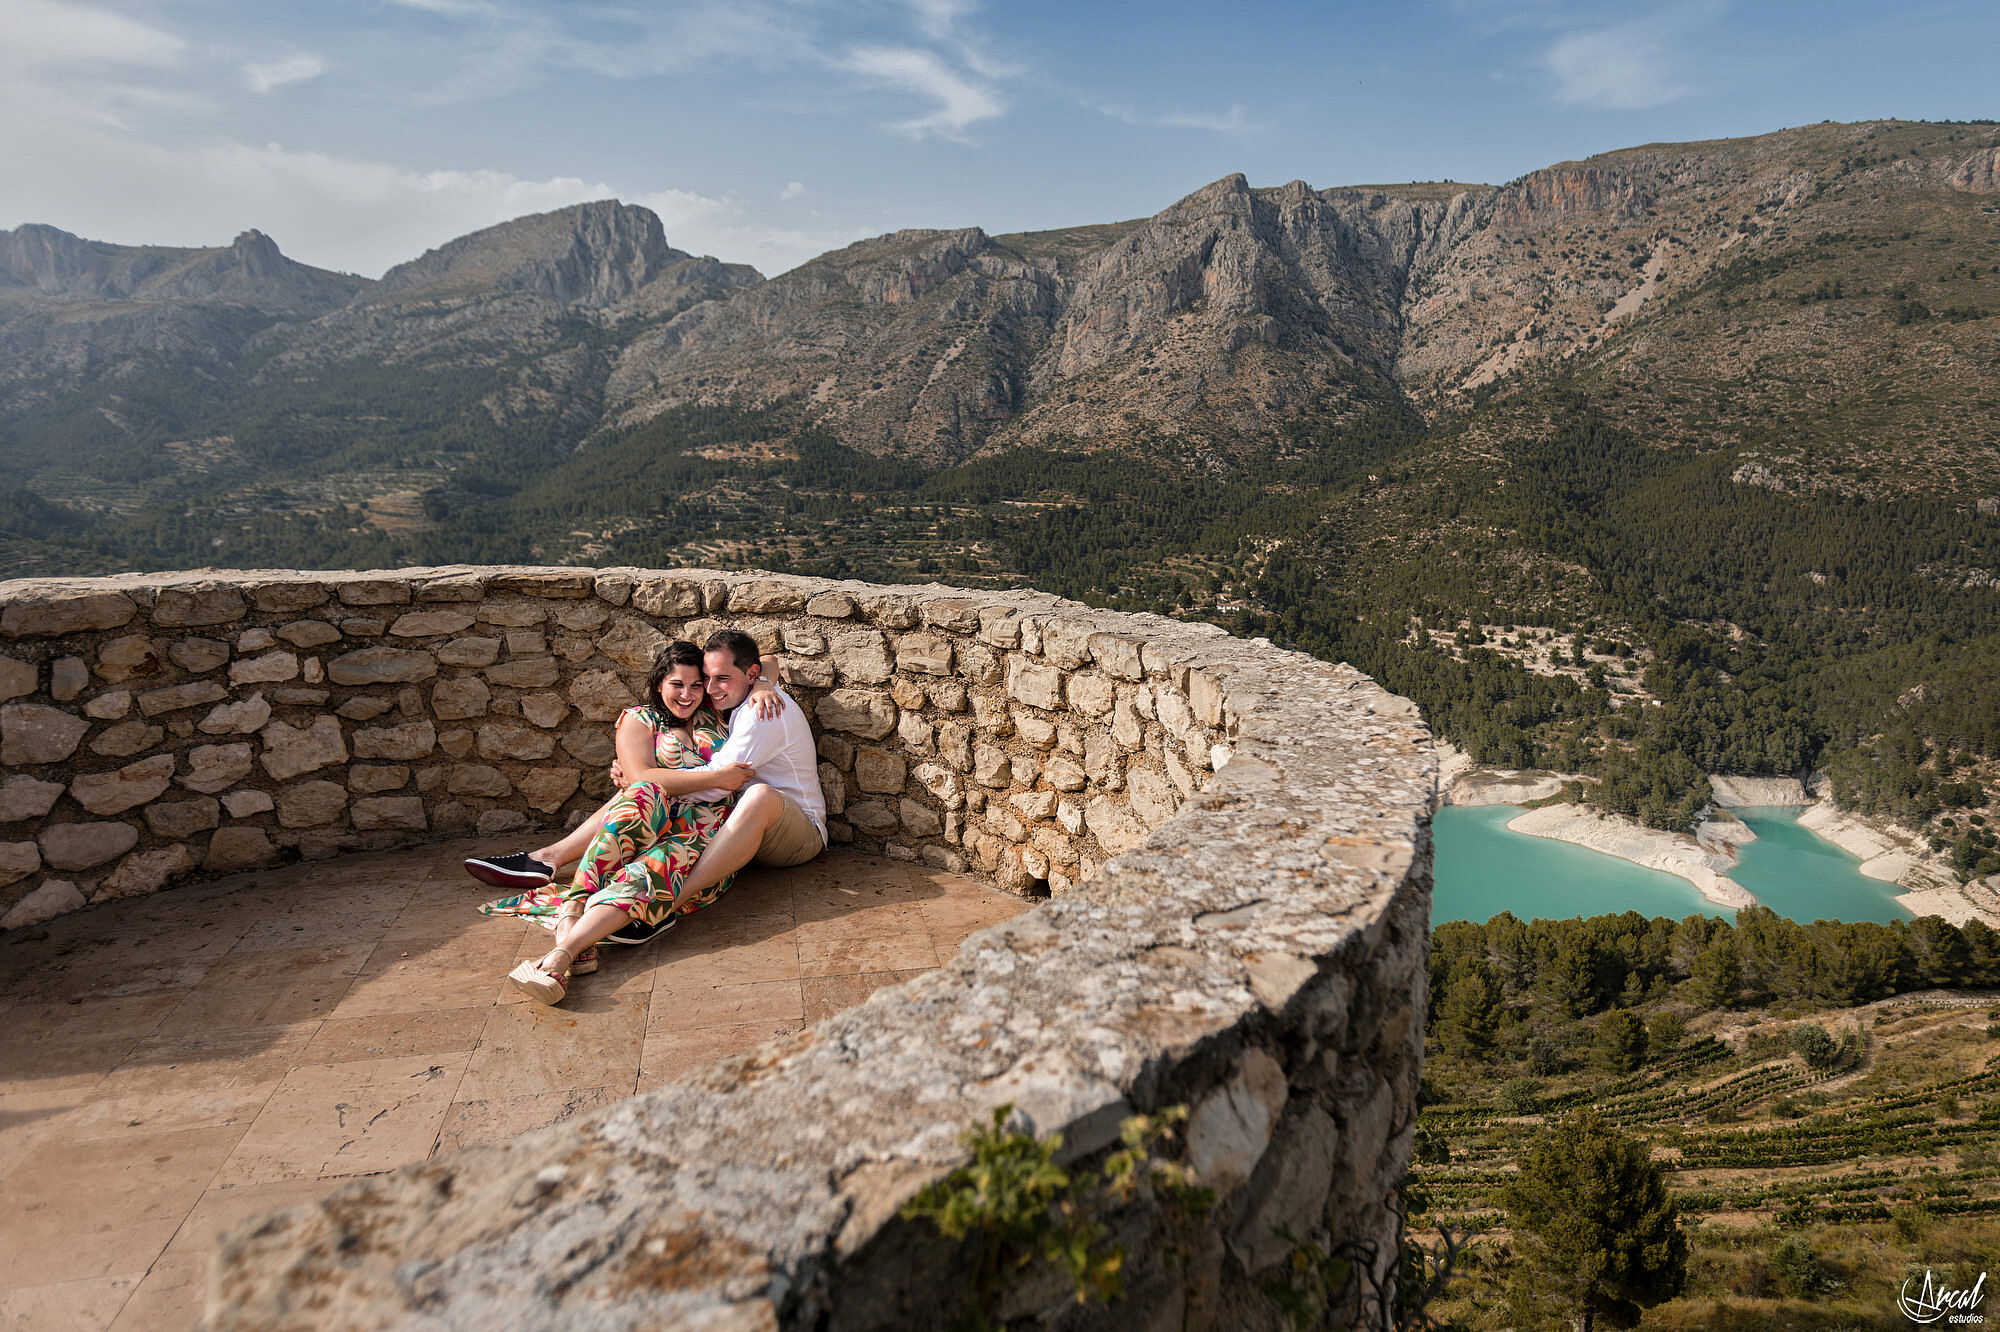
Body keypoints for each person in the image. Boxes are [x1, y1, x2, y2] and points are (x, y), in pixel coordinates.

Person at [477, 641, 758, 1003]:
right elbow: (642, 778)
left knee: (655, 865)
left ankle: (564, 948)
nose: (687, 695)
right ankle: (571, 920)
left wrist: (763, 684)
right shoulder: (639, 720)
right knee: (641, 795)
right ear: (659, 683)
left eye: (696, 685)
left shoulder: (717, 712)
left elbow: (764, 662)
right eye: (677, 684)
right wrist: (717, 778)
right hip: (649, 819)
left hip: (705, 834)